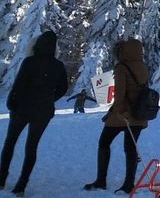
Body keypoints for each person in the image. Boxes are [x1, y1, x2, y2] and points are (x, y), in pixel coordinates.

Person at [0, 30, 69, 195]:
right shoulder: (58, 66)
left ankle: (2, 178)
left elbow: (18, 84)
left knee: (10, 142)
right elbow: (63, 88)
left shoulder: (29, 61)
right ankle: (21, 185)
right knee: (31, 147)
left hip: (22, 108)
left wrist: (12, 102)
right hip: (43, 111)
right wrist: (49, 99)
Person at [84, 39, 151, 194]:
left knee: (104, 142)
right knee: (130, 148)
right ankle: (129, 183)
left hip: (123, 114)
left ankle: (101, 180)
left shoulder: (122, 67)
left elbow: (120, 93)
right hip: (139, 114)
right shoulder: (142, 66)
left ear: (123, 52)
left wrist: (118, 112)